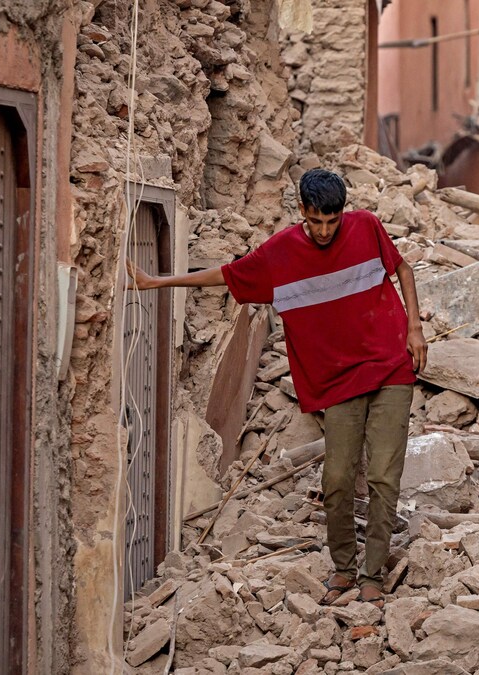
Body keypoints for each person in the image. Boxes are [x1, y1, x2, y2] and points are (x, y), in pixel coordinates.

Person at [127, 168, 427, 609]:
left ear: (343, 212)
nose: (325, 231)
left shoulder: (366, 226)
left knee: (384, 476)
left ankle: (372, 574)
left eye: (332, 221)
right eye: (316, 221)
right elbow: (226, 275)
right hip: (337, 380)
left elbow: (400, 267)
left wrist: (415, 327)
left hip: (391, 368)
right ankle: (343, 568)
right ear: (302, 211)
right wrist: (159, 283)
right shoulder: (280, 253)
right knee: (338, 479)